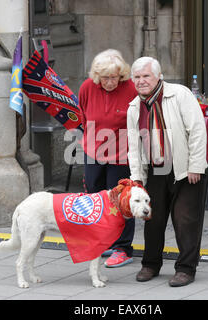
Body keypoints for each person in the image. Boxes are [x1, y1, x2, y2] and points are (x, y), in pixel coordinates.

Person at [127, 56, 208, 287]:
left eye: (146, 76)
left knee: (185, 220)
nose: (141, 81)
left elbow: (198, 131)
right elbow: (133, 146)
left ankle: (186, 269)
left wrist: (195, 165)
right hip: (155, 169)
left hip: (184, 169)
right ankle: (150, 265)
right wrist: (136, 178)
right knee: (152, 218)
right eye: (137, 77)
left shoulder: (179, 94)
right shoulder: (134, 106)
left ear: (159, 76)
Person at [78, 49, 138, 268]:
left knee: (120, 199)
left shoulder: (130, 88)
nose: (110, 82)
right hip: (94, 149)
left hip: (122, 153)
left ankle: (123, 248)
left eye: (114, 77)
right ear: (97, 77)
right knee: (95, 196)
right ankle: (102, 241)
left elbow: (138, 120)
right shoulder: (87, 87)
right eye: (105, 78)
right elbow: (83, 115)